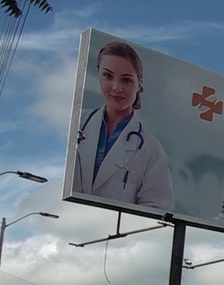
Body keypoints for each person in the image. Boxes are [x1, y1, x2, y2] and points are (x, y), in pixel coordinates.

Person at [73, 41, 173, 210]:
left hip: (116, 233)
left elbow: (157, 208)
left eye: (126, 80)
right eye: (108, 76)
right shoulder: (78, 121)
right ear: (98, 75)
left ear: (139, 84)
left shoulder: (151, 149)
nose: (116, 87)